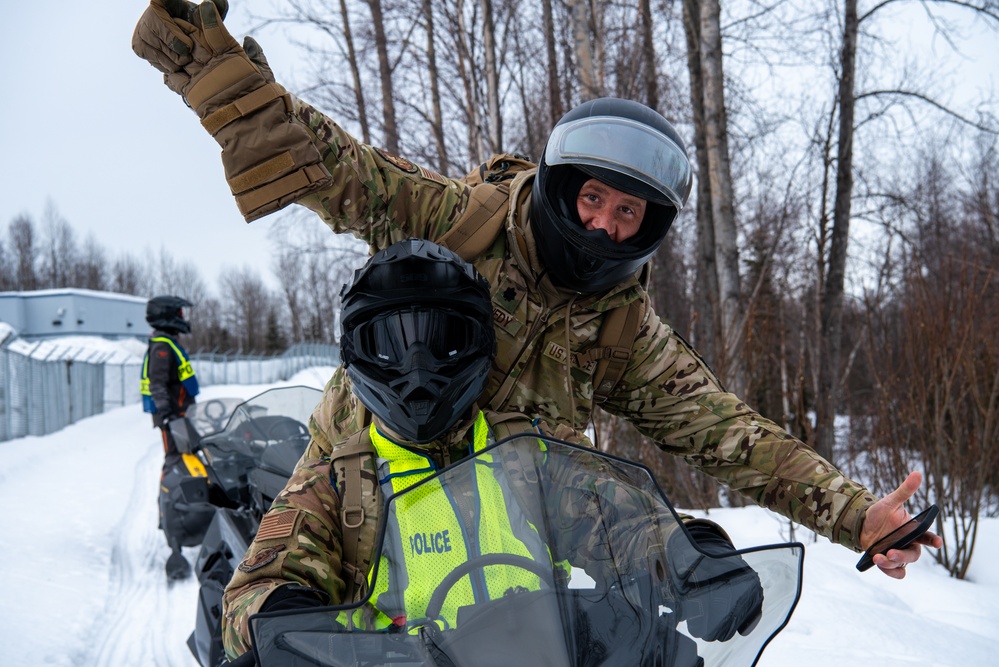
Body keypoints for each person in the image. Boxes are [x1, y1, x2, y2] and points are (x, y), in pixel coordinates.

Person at [132, 0, 941, 582]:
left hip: (507, 556)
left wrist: (853, 513)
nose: (604, 227)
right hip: (359, 490)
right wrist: (210, 64)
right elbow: (340, 168)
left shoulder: (623, 330)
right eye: (592, 198)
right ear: (561, 186)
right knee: (263, 620)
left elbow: (729, 432)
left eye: (628, 213)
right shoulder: (463, 221)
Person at [221, 239, 764, 663]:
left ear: (480, 342)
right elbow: (257, 586)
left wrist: (689, 553)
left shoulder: (531, 449)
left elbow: (619, 516)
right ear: (354, 356)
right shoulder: (340, 480)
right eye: (390, 344)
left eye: (444, 338)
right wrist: (281, 621)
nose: (418, 368)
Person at [141, 294, 201, 579]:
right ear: (166, 314)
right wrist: (166, 414)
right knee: (175, 464)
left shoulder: (168, 342)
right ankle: (174, 529)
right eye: (178, 312)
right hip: (173, 418)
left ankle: (195, 514)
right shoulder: (162, 347)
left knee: (190, 460)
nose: (182, 317)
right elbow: (158, 383)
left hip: (181, 416)